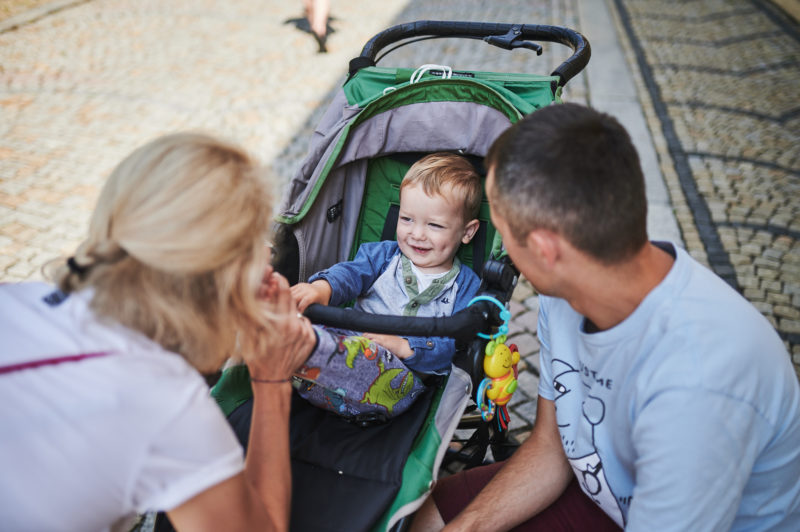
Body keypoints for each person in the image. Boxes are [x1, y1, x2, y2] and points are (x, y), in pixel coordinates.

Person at [410, 104, 800, 531]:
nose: (502, 252)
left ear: (544, 250)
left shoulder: (700, 380)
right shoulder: (567, 289)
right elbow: (552, 446)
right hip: (598, 490)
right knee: (422, 516)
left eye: (503, 233)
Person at [0, 133, 317, 531]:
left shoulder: (14, 299)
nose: (269, 258)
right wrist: (272, 381)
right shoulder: (167, 405)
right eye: (258, 244)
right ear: (222, 275)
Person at [290, 153, 482, 417]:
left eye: (435, 225)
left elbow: (455, 344)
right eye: (407, 219)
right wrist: (321, 289)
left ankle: (300, 347)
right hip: (336, 369)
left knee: (361, 354)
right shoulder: (382, 257)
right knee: (313, 322)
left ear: (467, 232)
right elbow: (350, 274)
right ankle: (292, 343)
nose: (417, 234)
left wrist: (404, 347)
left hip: (395, 385)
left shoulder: (466, 286)